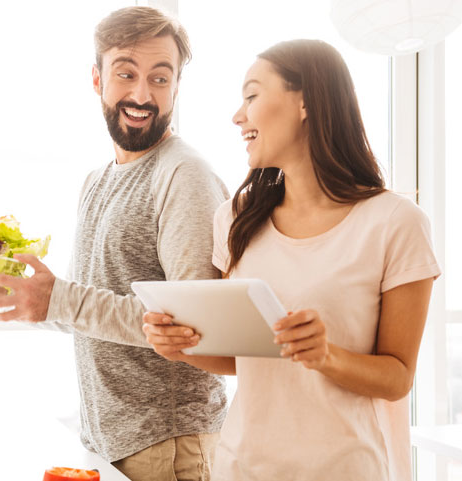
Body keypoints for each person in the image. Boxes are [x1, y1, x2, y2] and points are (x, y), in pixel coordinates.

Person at [143, 39, 441, 481]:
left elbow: (398, 377)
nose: (237, 115)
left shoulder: (396, 222)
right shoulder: (237, 218)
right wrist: (182, 346)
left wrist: (326, 356)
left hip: (343, 470)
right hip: (241, 466)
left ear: (305, 102)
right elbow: (244, 356)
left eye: (251, 96)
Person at [0, 6, 229, 481]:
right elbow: (93, 311)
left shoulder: (183, 173)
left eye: (159, 78)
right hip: (108, 444)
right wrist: (25, 299)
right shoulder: (96, 181)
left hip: (169, 445)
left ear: (176, 86)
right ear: (97, 79)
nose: (141, 94)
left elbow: (190, 325)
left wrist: (61, 299)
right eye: (125, 73)